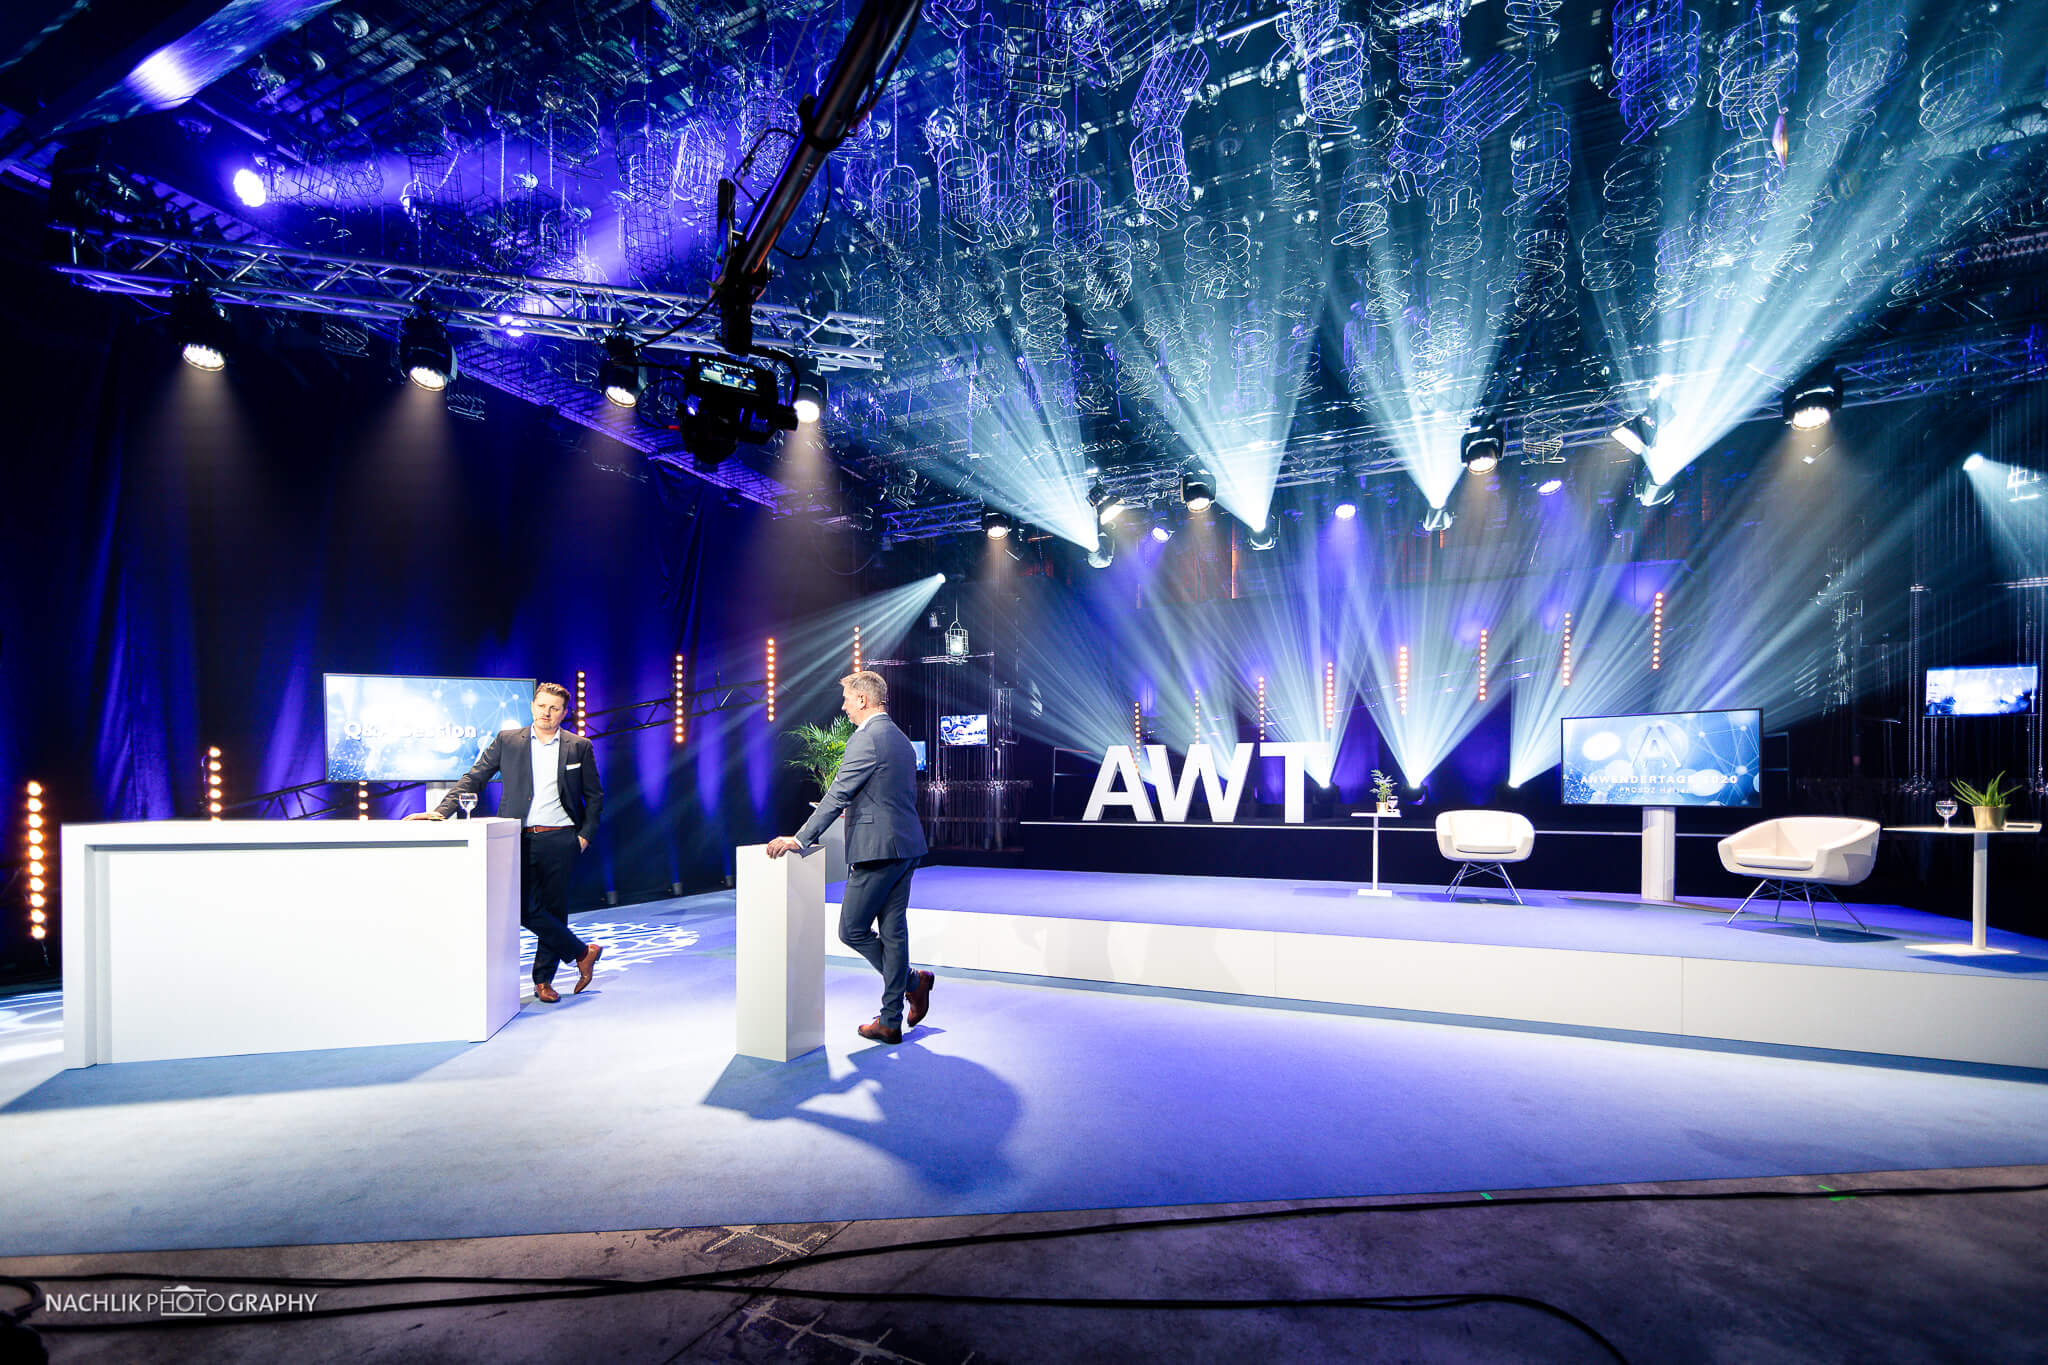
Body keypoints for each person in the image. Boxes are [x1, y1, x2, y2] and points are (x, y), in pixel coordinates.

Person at [408, 681, 604, 1004]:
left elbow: (594, 796)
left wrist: (584, 836)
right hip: (516, 837)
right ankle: (582, 953)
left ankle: (543, 981)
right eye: (541, 706)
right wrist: (442, 811)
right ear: (532, 706)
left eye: (554, 708)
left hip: (561, 838)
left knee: (554, 910)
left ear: (564, 713)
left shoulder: (578, 746)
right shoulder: (508, 740)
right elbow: (475, 777)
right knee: (520, 908)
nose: (546, 713)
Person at [767, 669, 931, 1044]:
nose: (843, 708)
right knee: (894, 934)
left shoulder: (867, 737)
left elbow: (838, 792)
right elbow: (889, 795)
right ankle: (891, 1020)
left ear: (862, 699)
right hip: (906, 845)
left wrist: (800, 839)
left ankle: (912, 983)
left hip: (877, 850)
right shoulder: (900, 739)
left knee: (852, 930)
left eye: (846, 700)